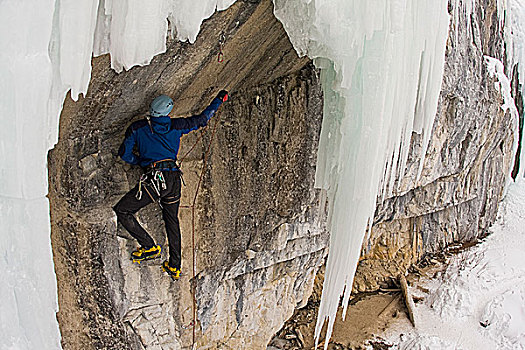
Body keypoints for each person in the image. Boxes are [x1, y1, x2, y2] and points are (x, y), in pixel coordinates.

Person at [113, 90, 229, 280]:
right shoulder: (176, 126)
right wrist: (218, 100)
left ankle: (149, 246)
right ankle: (174, 265)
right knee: (171, 219)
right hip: (173, 179)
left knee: (124, 211)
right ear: (168, 112)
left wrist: (140, 161)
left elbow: (124, 153)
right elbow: (202, 119)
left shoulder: (138, 128)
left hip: (155, 178)